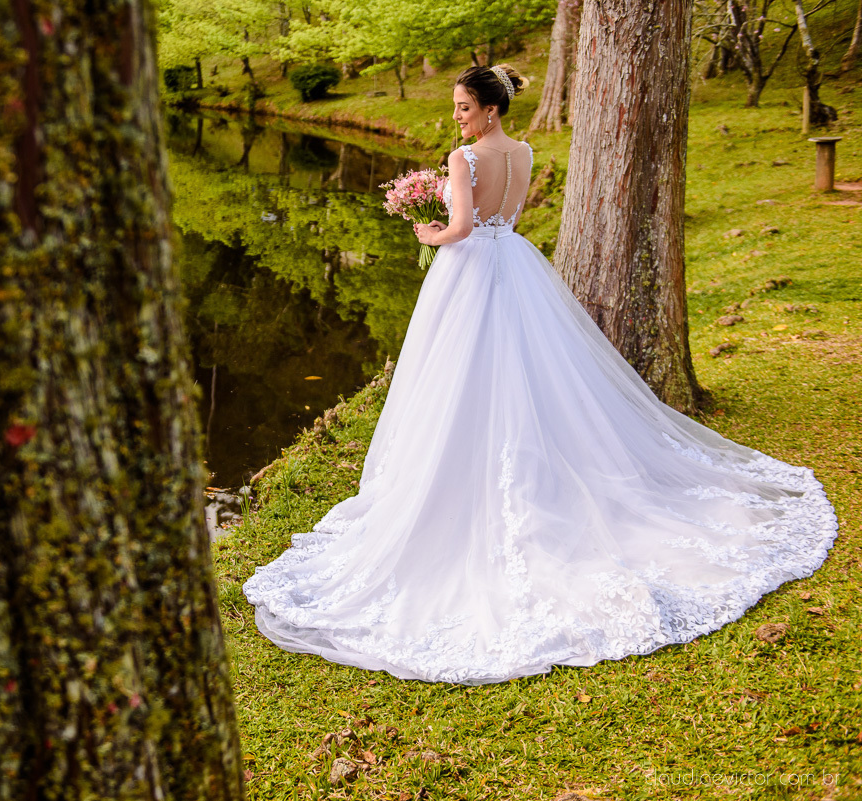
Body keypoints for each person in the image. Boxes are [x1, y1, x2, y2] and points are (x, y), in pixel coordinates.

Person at [241, 64, 838, 685]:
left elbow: (465, 227)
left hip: (469, 267)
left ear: (490, 110)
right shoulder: (524, 151)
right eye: (457, 108)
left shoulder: (462, 158)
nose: (457, 117)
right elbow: (509, 220)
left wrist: (431, 230)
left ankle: (465, 477)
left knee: (461, 373)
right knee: (527, 369)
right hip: (517, 265)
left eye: (465, 108)